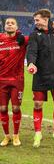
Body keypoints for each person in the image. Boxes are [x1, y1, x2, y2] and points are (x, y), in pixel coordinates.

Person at [27, 9, 54, 148]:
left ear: (46, 19)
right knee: (38, 104)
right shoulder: (35, 34)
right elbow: (32, 50)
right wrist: (31, 63)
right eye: (35, 20)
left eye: (37, 20)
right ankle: (38, 133)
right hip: (40, 74)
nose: (35, 22)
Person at [0, 18, 28, 147]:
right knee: (3, 108)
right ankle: (6, 136)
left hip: (17, 81)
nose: (9, 25)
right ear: (4, 26)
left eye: (12, 23)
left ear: (17, 27)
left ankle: (16, 135)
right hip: (1, 81)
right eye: (7, 23)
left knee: (16, 108)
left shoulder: (22, 40)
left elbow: (37, 37)